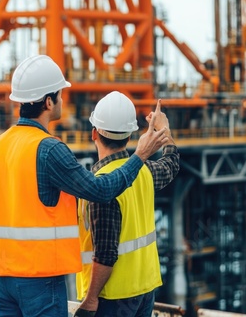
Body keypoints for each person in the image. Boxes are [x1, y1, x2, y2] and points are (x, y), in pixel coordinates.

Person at [0, 55, 168, 317]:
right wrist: (140, 156)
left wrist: (9, 262)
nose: (63, 100)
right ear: (49, 101)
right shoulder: (49, 150)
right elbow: (100, 191)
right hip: (40, 280)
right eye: (61, 94)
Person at [75, 92, 179, 317]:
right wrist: (165, 132)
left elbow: (105, 252)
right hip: (145, 290)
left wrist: (91, 298)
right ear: (130, 135)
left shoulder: (100, 184)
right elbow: (171, 165)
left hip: (112, 295)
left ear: (94, 133)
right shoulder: (145, 171)